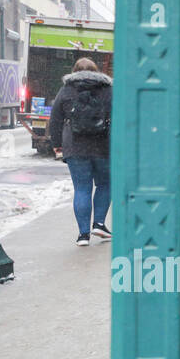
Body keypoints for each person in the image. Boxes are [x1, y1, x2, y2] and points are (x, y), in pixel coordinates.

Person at [47, 58, 112, 247]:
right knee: (105, 184)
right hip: (103, 146)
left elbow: (55, 118)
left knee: (82, 188)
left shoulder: (66, 89)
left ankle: (83, 235)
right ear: (97, 70)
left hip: (74, 147)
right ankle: (99, 223)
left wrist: (56, 144)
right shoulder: (107, 89)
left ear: (74, 71)